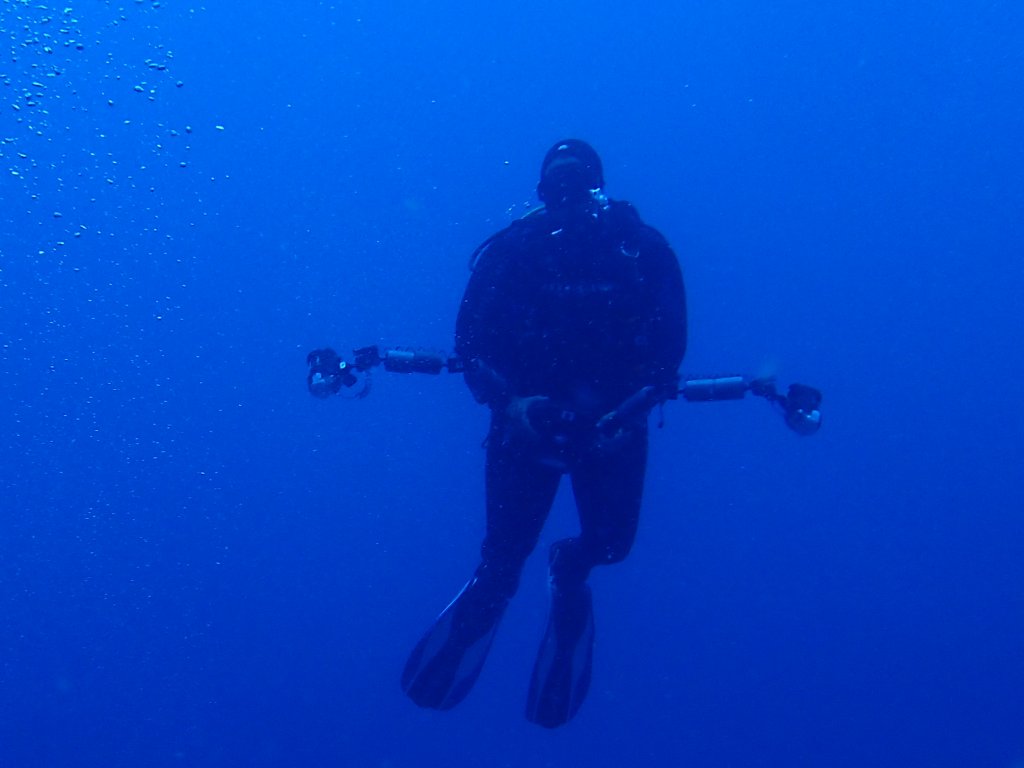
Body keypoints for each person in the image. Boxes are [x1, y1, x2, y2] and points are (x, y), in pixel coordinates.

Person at [401, 139, 687, 728]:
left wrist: (628, 415)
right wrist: (512, 405)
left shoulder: (642, 250)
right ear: (539, 193)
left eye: (576, 185)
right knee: (503, 555)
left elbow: (667, 357)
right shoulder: (513, 253)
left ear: (597, 188)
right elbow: (470, 348)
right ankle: (495, 586)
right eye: (554, 188)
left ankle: (570, 569)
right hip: (524, 427)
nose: (566, 198)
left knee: (610, 545)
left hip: (613, 428)